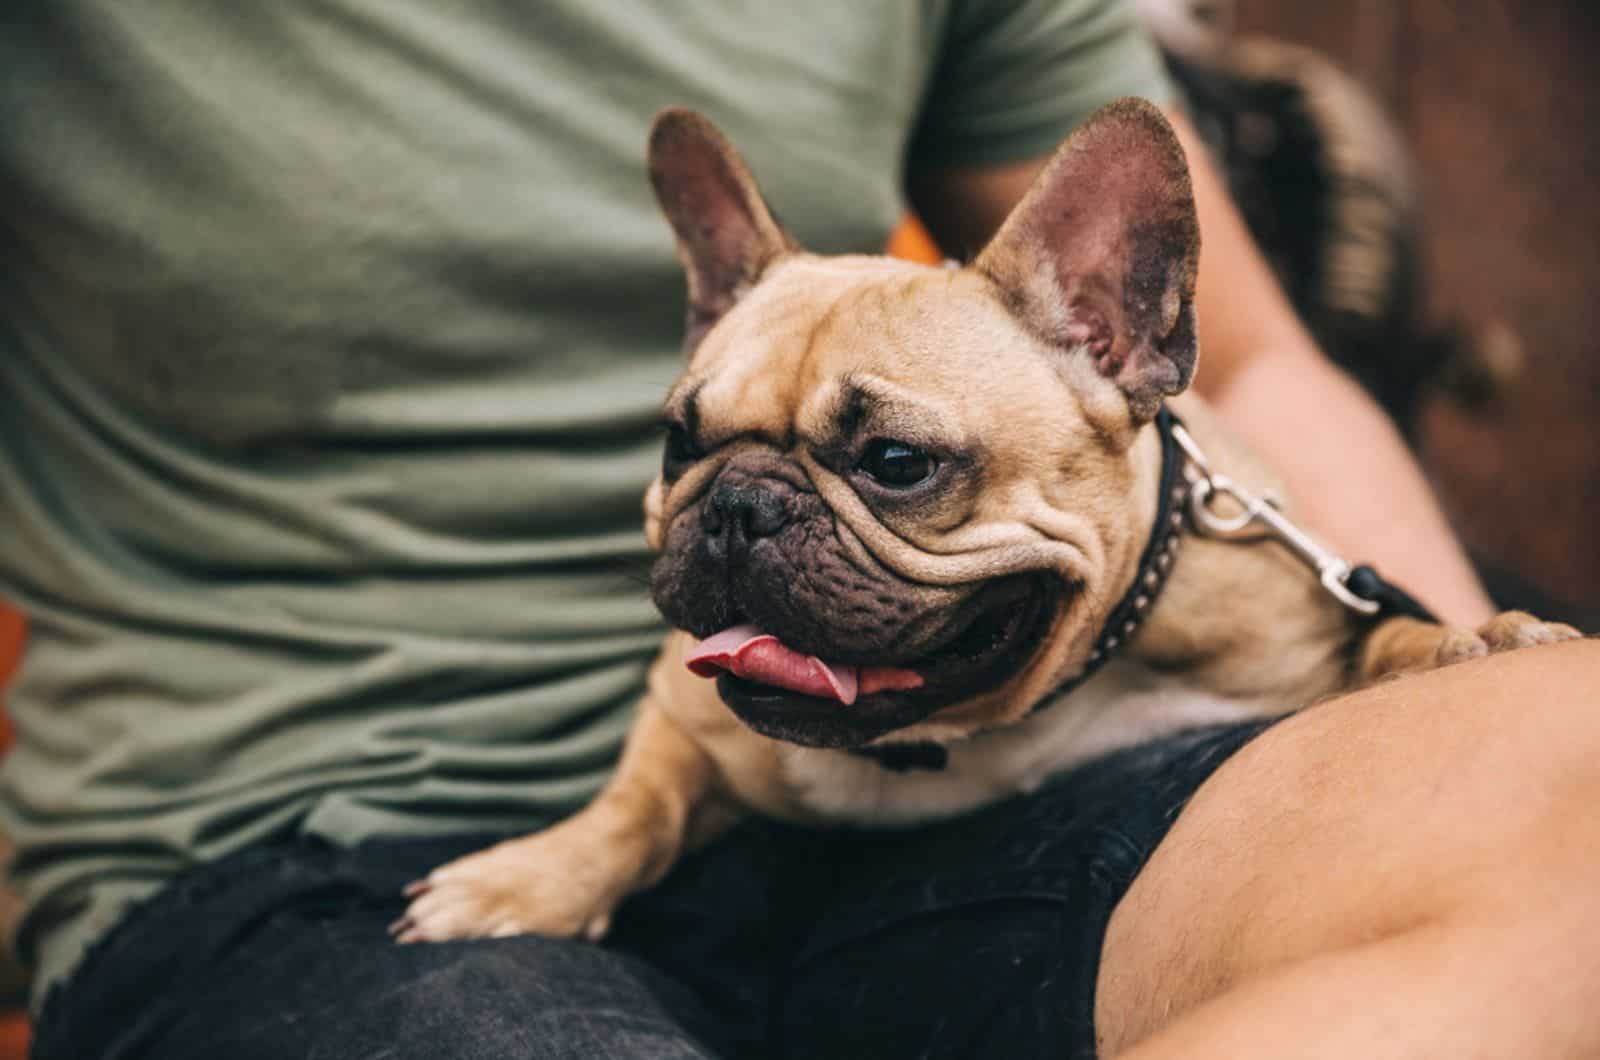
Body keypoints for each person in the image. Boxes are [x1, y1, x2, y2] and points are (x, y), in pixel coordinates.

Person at [1, 3, 1594, 1057]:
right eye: (701, 448)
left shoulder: (1137, 451)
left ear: (1116, 336)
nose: (750, 526)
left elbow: (1254, 363)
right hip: (311, 831)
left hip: (1035, 764)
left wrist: (1453, 683)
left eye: (894, 467)